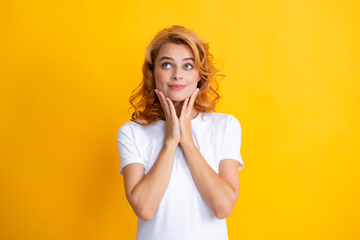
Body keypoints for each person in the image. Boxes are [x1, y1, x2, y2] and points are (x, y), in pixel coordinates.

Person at [117, 25, 244, 240]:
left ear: (199, 75)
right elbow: (145, 209)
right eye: (167, 65)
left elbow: (223, 207)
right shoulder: (132, 132)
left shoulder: (225, 126)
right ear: (152, 72)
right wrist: (170, 142)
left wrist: (188, 142)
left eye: (188, 66)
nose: (177, 75)